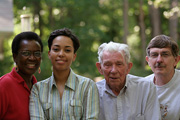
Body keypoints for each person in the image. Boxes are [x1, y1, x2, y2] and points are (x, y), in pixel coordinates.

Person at [29, 28, 99, 120]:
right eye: (56, 49)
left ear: (74, 56)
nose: (61, 54)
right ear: (49, 54)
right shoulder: (37, 90)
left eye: (67, 50)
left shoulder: (88, 86)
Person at [96, 41, 161, 120]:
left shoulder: (146, 88)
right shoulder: (93, 92)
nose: (113, 70)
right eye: (108, 65)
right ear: (100, 68)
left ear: (128, 67)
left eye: (119, 64)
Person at [0, 31, 43, 120]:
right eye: (26, 53)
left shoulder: (38, 88)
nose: (32, 58)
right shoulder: (4, 85)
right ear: (15, 57)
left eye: (37, 53)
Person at [145, 35, 180, 120]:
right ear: (148, 61)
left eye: (165, 54)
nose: (159, 60)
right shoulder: (142, 86)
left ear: (176, 60)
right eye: (154, 55)